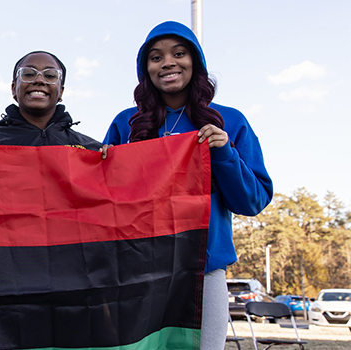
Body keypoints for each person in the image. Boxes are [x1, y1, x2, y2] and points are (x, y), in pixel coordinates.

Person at [101, 21, 273, 348]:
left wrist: (224, 153)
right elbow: (105, 203)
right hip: (139, 273)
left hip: (202, 272)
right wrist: (105, 167)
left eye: (178, 53)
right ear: (145, 69)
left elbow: (253, 201)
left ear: (195, 61)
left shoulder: (229, 121)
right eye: (155, 57)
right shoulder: (127, 122)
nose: (167, 62)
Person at [0, 51, 102, 149]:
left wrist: (112, 159)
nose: (39, 80)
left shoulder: (89, 149)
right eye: (28, 74)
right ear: (14, 88)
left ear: (61, 91)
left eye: (50, 75)